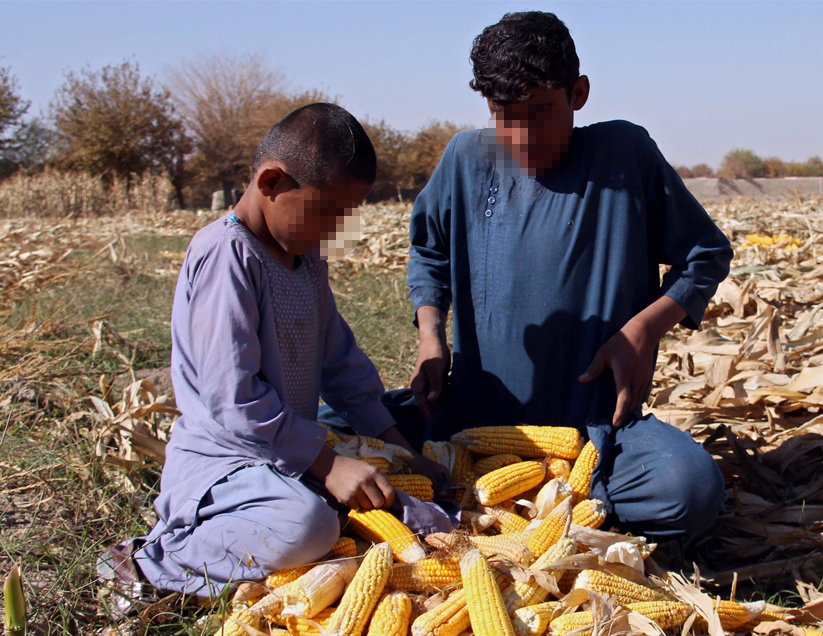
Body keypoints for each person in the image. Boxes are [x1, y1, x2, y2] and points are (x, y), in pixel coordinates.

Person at [101, 103, 452, 609]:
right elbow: (233, 398)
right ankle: (152, 564)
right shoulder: (227, 256)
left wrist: (401, 449)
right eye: (328, 214)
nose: (336, 231)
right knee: (307, 525)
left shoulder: (307, 261)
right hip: (226, 464)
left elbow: (342, 367)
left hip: (285, 456)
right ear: (271, 182)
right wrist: (328, 464)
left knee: (386, 494)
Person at [405, 12, 734, 541]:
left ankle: (556, 508)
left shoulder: (624, 155)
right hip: (472, 425)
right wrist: (430, 337)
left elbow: (705, 254)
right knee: (326, 431)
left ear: (578, 94)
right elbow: (429, 253)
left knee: (689, 490)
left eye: (541, 113)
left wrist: (642, 329)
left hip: (594, 434)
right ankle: (525, 509)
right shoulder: (467, 159)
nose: (522, 134)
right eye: (504, 116)